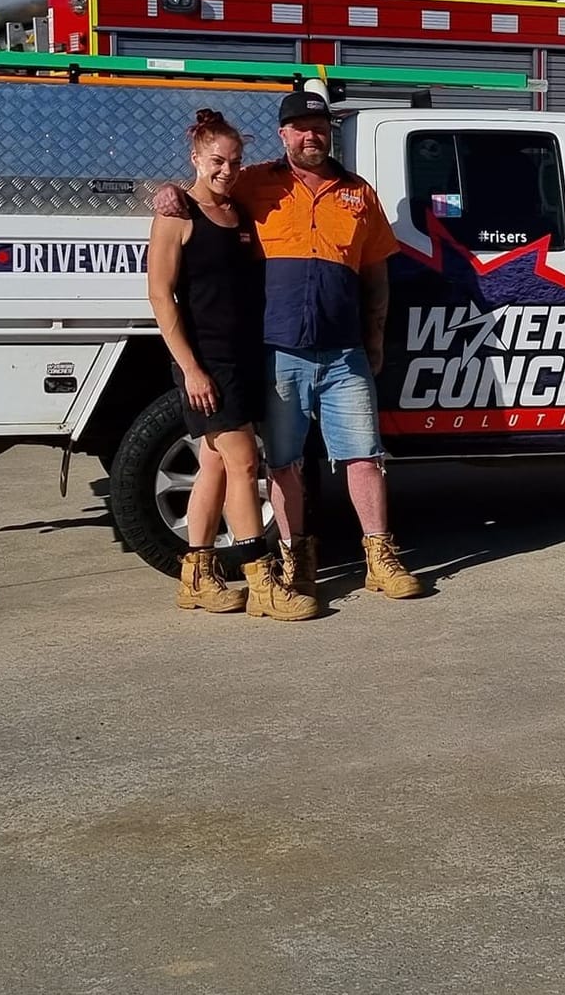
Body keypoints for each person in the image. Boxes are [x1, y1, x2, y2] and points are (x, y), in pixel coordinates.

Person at [233, 90, 425, 602]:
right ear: (283, 134)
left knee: (364, 456)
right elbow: (205, 198)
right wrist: (170, 194)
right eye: (298, 127)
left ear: (328, 131)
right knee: (284, 463)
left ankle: (380, 558)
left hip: (344, 352)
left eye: (317, 125)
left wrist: (375, 335)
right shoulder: (252, 183)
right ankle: (297, 562)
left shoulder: (358, 193)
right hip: (279, 350)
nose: (309, 135)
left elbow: (377, 270)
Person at [145, 110, 314, 621]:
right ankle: (261, 582)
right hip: (206, 361)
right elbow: (160, 295)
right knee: (243, 463)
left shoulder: (238, 210)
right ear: (196, 159)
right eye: (216, 160)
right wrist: (191, 370)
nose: (226, 170)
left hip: (244, 355)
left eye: (234, 161)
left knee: (216, 464)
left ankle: (196, 577)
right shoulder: (177, 214)